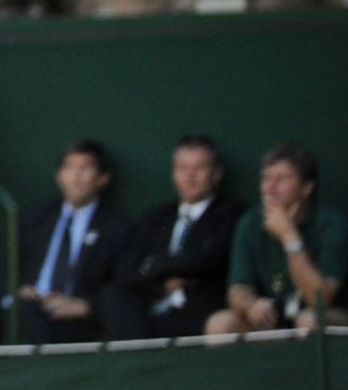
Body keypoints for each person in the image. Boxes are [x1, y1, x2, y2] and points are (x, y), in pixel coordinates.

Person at [97, 135, 244, 340]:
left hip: (198, 310)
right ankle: (138, 366)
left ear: (216, 174)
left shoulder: (231, 215)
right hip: (151, 309)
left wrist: (154, 266)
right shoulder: (156, 217)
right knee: (113, 296)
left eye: (199, 168)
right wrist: (162, 282)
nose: (190, 176)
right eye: (183, 168)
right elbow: (125, 271)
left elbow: (205, 260)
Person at [207, 143, 348, 335]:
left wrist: (289, 236)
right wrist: (252, 305)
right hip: (274, 314)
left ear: (306, 187)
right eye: (266, 178)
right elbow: (237, 290)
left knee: (308, 320)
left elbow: (319, 299)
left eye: (282, 179)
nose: (270, 187)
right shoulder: (251, 221)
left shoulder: (332, 222)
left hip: (331, 317)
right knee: (220, 323)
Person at [14, 138, 130, 344]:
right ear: (59, 175)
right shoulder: (36, 218)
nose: (76, 176)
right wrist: (20, 289)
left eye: (85, 168)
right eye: (69, 167)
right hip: (31, 310)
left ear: (103, 178)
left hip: (77, 320)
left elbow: (121, 285)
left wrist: (84, 306)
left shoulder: (115, 226)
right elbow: (10, 266)